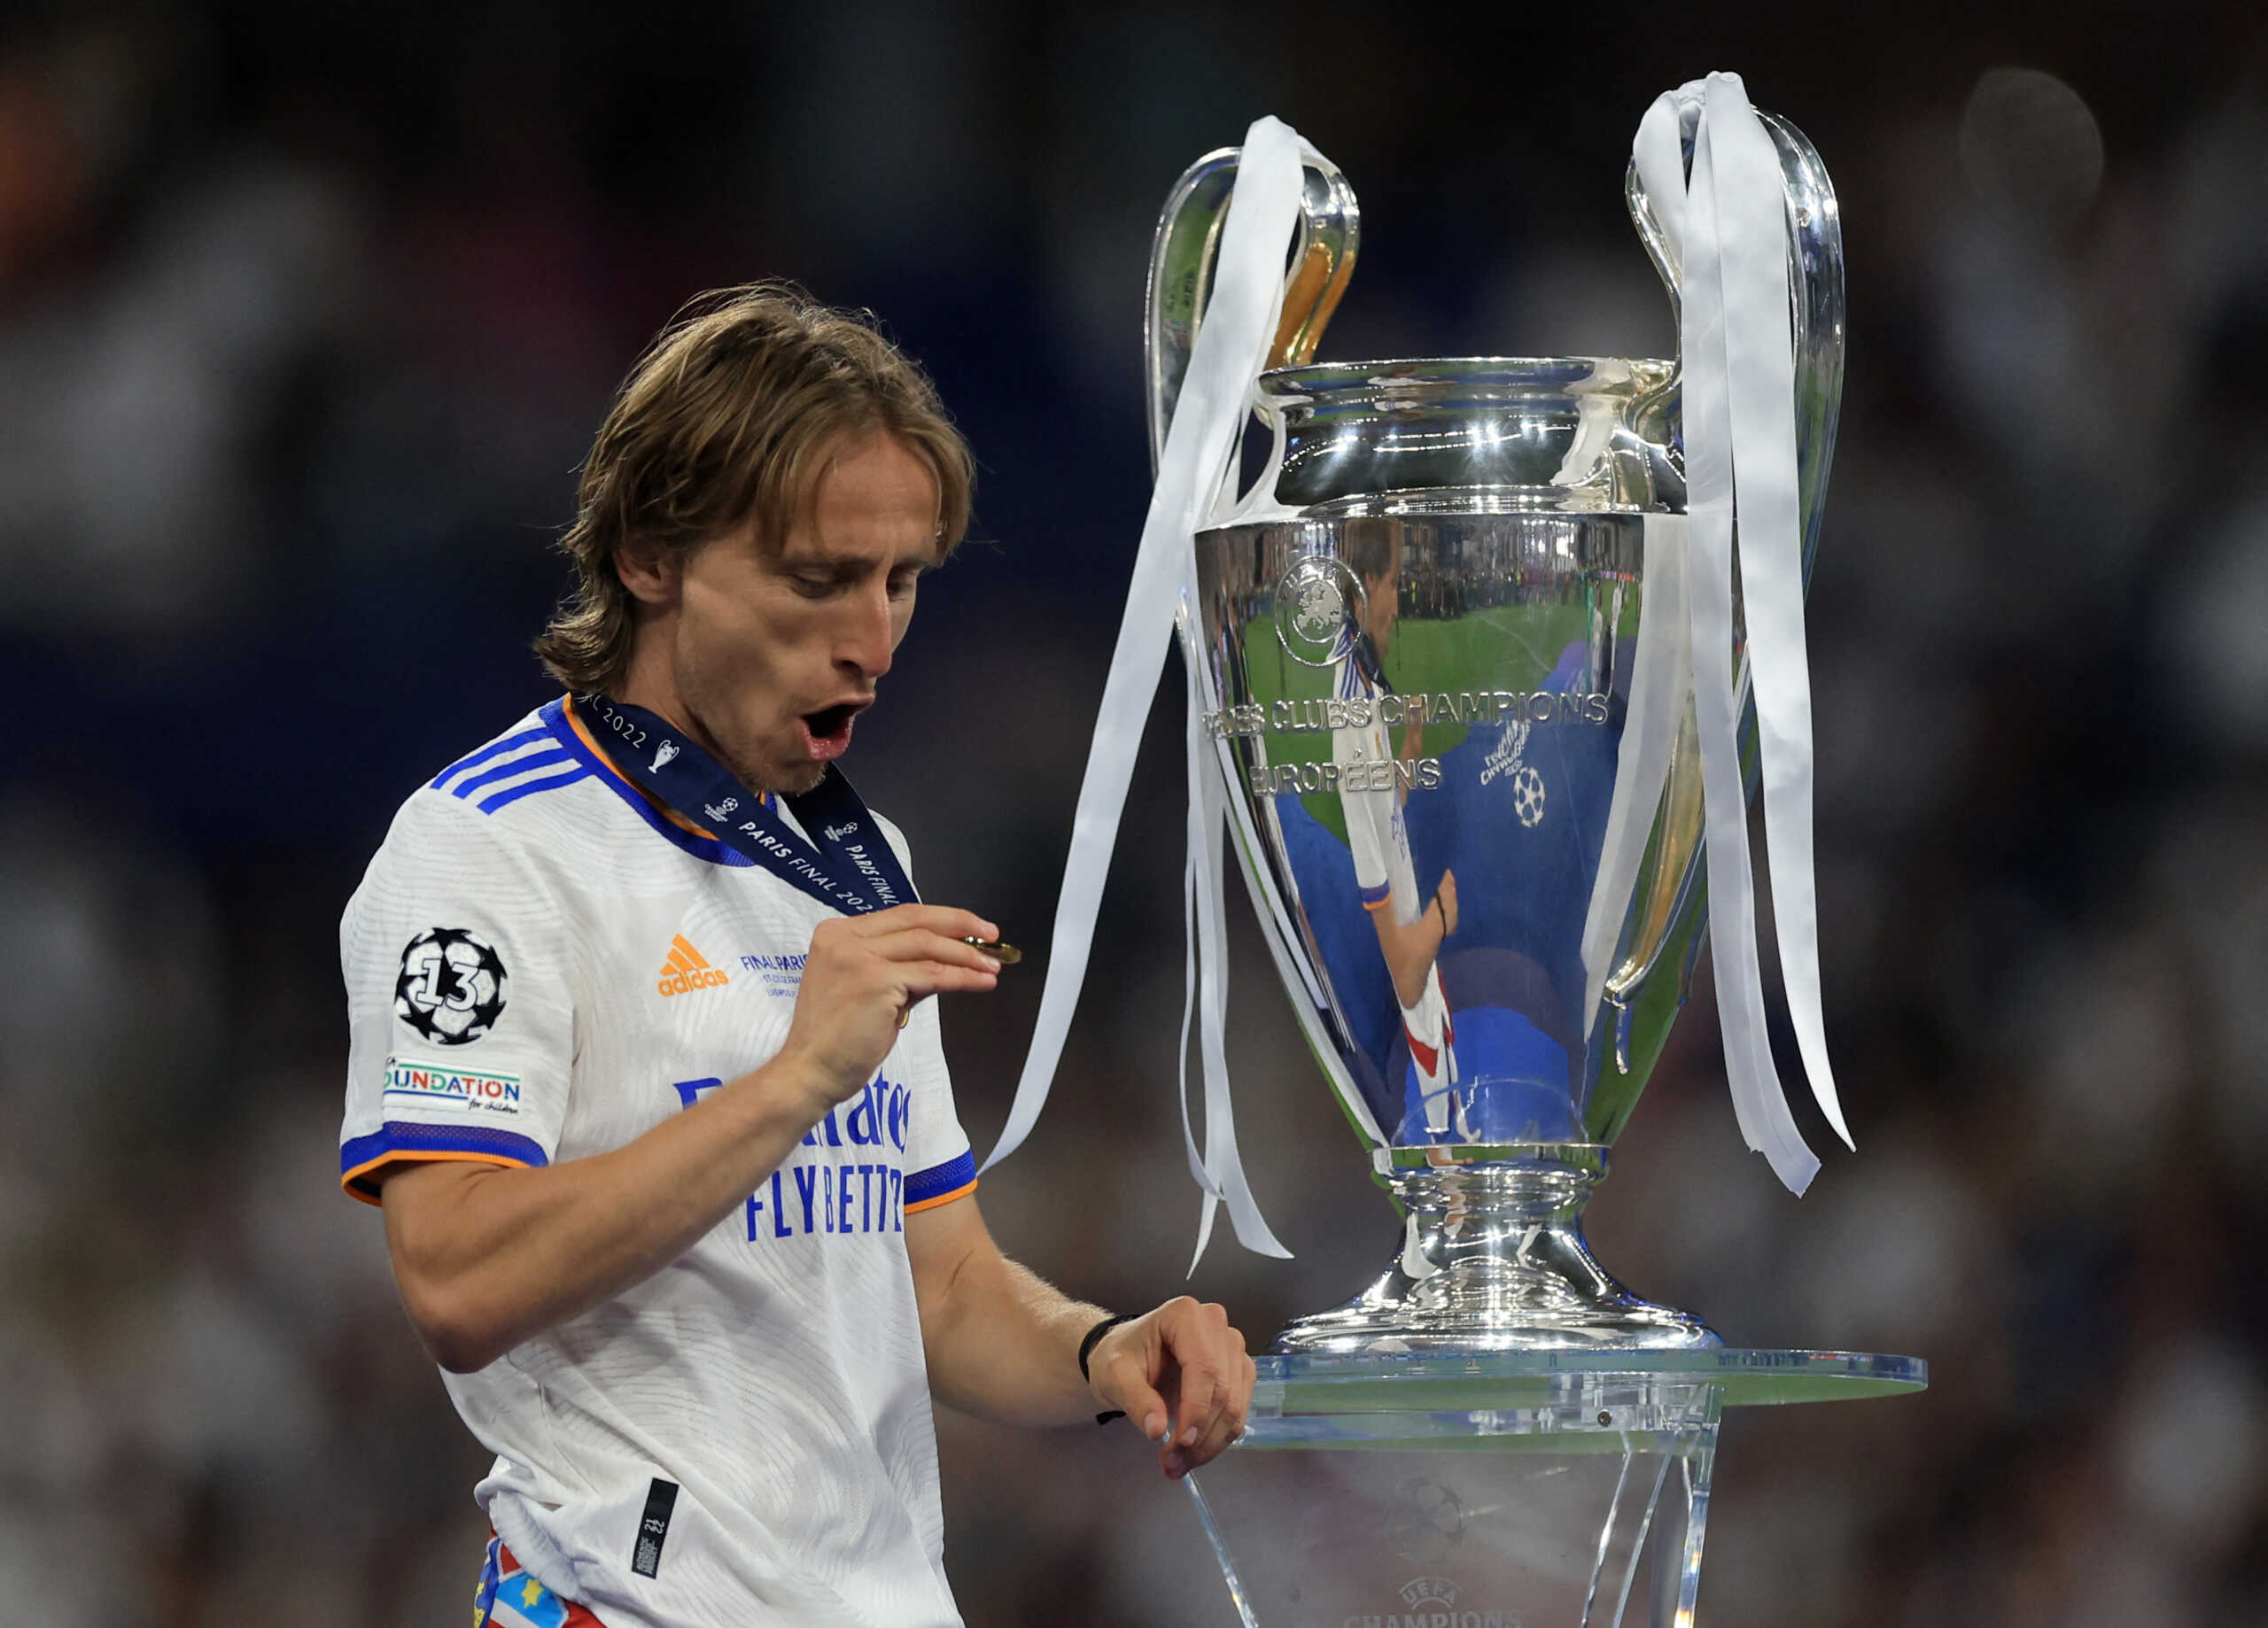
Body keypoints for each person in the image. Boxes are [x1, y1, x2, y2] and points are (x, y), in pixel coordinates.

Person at [336, 283, 1255, 1628]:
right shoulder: (485, 850)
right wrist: (794, 1078)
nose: (872, 642)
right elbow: (458, 1280)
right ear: (650, 555)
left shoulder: (854, 856)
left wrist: (1106, 1349)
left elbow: (942, 1284)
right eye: (817, 579)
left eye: (901, 583)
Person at [1328, 522, 1464, 1139]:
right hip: (1406, 933)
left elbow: (1385, 813)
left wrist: (1408, 749)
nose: (1398, 604)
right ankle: (1446, 1173)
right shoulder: (1350, 712)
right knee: (1433, 1062)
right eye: (1395, 586)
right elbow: (1368, 853)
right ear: (1367, 589)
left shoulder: (1362, 688)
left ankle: (1451, 1159)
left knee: (1442, 1055)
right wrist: (1420, 934)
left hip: (1413, 928)